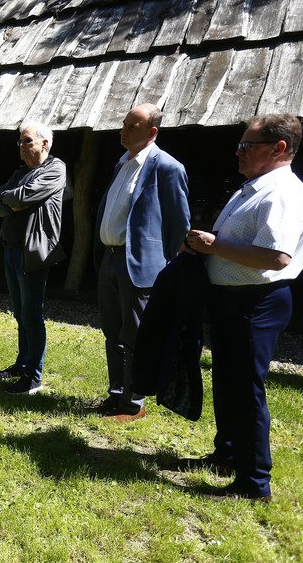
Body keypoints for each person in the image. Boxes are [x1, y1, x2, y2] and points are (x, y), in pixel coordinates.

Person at [183, 114, 303, 502]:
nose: (238, 152)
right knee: (227, 382)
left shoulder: (283, 193)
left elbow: (276, 257)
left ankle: (255, 484)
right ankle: (228, 455)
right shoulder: (256, 186)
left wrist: (212, 245)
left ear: (279, 149)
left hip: (257, 303)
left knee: (245, 389)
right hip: (233, 299)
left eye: (247, 146)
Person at [93, 103, 190, 421]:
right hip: (110, 258)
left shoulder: (167, 167)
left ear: (151, 132)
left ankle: (133, 403)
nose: (123, 130)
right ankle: (116, 394)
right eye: (123, 124)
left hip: (139, 265)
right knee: (113, 332)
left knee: (135, 335)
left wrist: (167, 265)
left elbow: (179, 224)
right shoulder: (122, 164)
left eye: (132, 126)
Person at [0, 122, 66, 395]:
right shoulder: (20, 172)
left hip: (32, 251)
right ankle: (22, 365)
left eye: (27, 141)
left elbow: (26, 195)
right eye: (20, 141)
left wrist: (11, 198)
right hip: (11, 249)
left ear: (44, 143)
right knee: (20, 312)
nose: (21, 146)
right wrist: (12, 200)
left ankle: (33, 376)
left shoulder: (56, 168)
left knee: (32, 314)